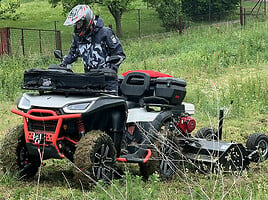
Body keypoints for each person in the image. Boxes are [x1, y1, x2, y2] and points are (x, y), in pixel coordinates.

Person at [61, 4, 126, 94]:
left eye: (79, 23)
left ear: (87, 21)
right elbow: (72, 55)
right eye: (76, 24)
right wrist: (63, 64)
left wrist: (110, 68)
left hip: (107, 81)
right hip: (89, 80)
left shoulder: (105, 33)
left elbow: (119, 54)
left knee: (109, 105)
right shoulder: (77, 37)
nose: (77, 27)